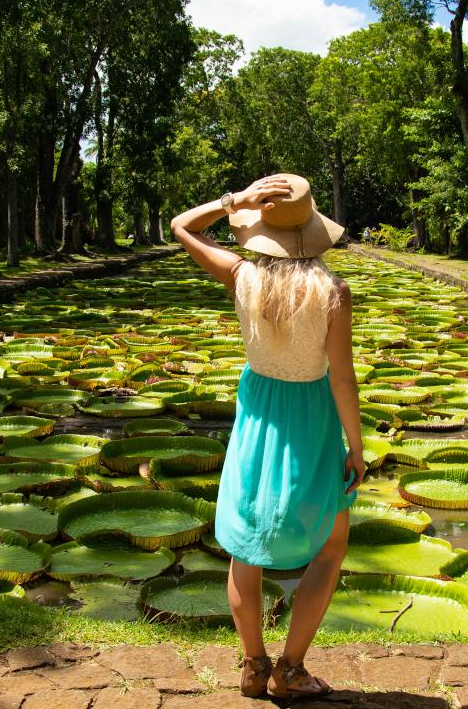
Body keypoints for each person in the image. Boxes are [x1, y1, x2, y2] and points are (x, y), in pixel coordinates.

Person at [169, 173, 366, 699]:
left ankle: (254, 667)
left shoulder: (240, 276)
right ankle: (291, 669)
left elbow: (181, 226)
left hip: (257, 417)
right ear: (313, 229)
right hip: (314, 420)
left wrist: (232, 201)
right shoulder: (334, 293)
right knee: (329, 546)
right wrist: (357, 446)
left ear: (260, 228)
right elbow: (343, 378)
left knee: (245, 549)